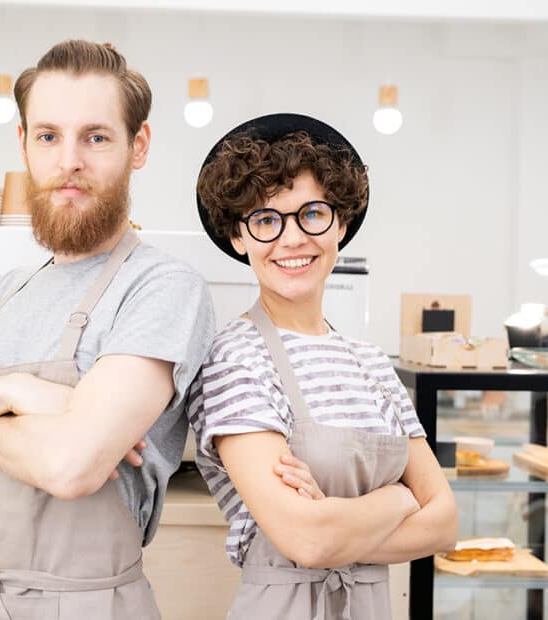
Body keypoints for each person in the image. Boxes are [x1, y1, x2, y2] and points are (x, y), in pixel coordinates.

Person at [0, 40, 214, 620]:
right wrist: (14, 393)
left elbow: (72, 467)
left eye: (97, 136)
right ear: (25, 145)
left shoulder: (162, 288)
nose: (69, 162)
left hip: (90, 605)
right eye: (49, 136)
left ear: (139, 146)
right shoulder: (9, 291)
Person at [189, 113, 458, 619]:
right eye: (266, 220)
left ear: (341, 223)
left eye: (312, 213)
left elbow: (444, 523)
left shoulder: (372, 363)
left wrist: (337, 523)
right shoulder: (233, 358)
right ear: (239, 238)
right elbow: (305, 539)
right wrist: (397, 499)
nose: (292, 240)